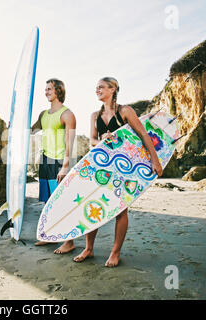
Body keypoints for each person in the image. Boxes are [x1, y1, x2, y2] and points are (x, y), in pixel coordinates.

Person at [71, 76, 163, 267]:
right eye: (96, 88)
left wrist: (155, 160)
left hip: (123, 167)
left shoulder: (125, 111)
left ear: (113, 89)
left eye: (101, 87)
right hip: (101, 166)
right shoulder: (94, 115)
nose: (97, 90)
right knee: (91, 204)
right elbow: (92, 142)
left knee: (120, 210)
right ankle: (89, 248)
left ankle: (115, 252)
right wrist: (103, 139)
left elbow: (143, 134)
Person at [31, 78, 77, 254]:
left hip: (58, 162)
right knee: (48, 201)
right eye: (45, 89)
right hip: (45, 160)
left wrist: (65, 166)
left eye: (49, 89)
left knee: (62, 202)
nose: (46, 92)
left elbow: (69, 143)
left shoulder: (67, 114)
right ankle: (50, 235)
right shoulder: (43, 114)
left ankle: (69, 241)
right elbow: (32, 129)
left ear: (58, 91)